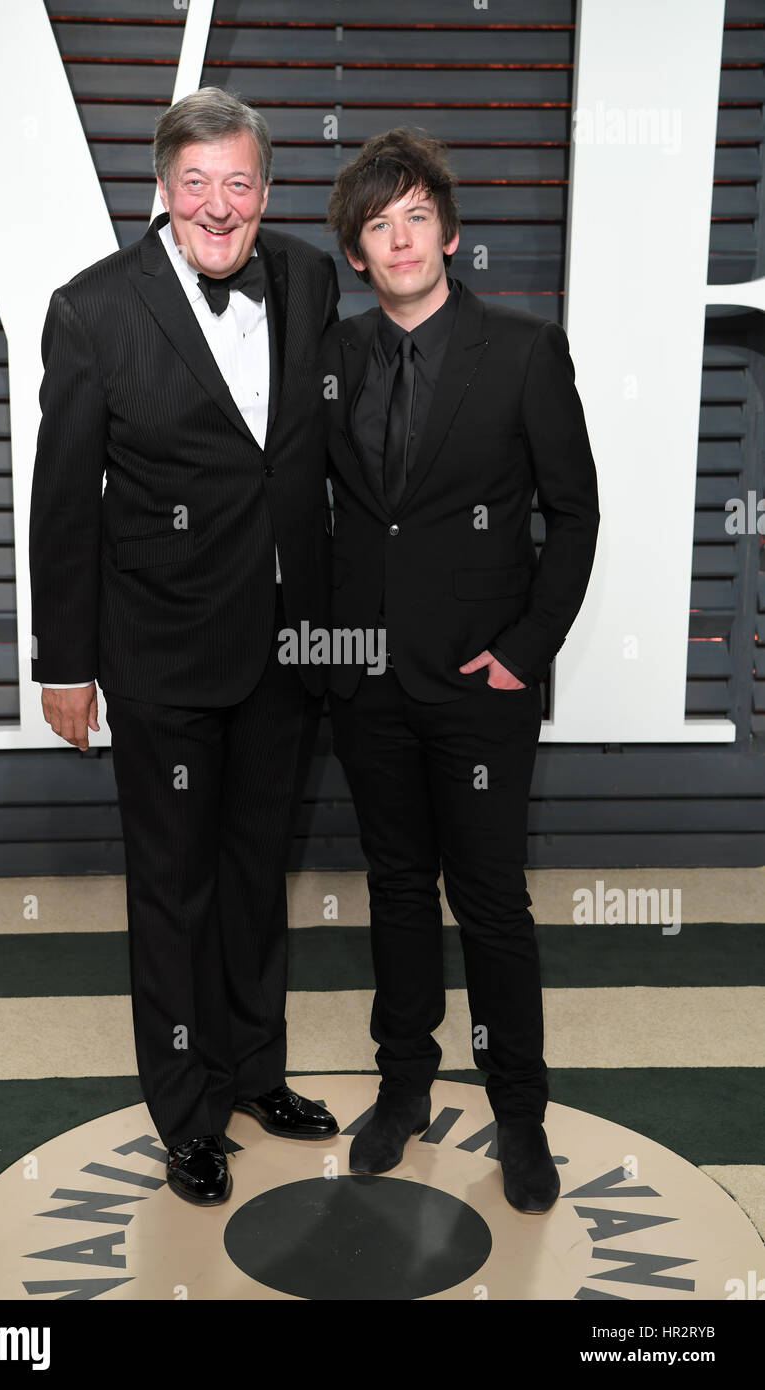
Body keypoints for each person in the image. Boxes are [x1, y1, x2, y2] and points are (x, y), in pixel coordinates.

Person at [29, 87, 340, 1208]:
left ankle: (254, 1067)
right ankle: (186, 1106)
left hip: (286, 648)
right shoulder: (93, 309)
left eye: (240, 182)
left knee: (258, 875)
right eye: (196, 182)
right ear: (161, 189)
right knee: (174, 886)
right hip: (159, 649)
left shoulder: (307, 279)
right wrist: (64, 661)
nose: (219, 206)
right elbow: (62, 500)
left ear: (266, 188)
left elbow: (309, 461)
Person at [323, 128, 599, 1212]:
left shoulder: (524, 351)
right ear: (355, 251)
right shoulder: (333, 358)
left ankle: (519, 1114)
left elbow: (572, 515)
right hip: (368, 686)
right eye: (375, 225)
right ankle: (402, 1088)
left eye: (413, 217)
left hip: (482, 686)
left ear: (447, 231)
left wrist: (521, 653)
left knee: (489, 901)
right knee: (394, 889)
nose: (398, 239)